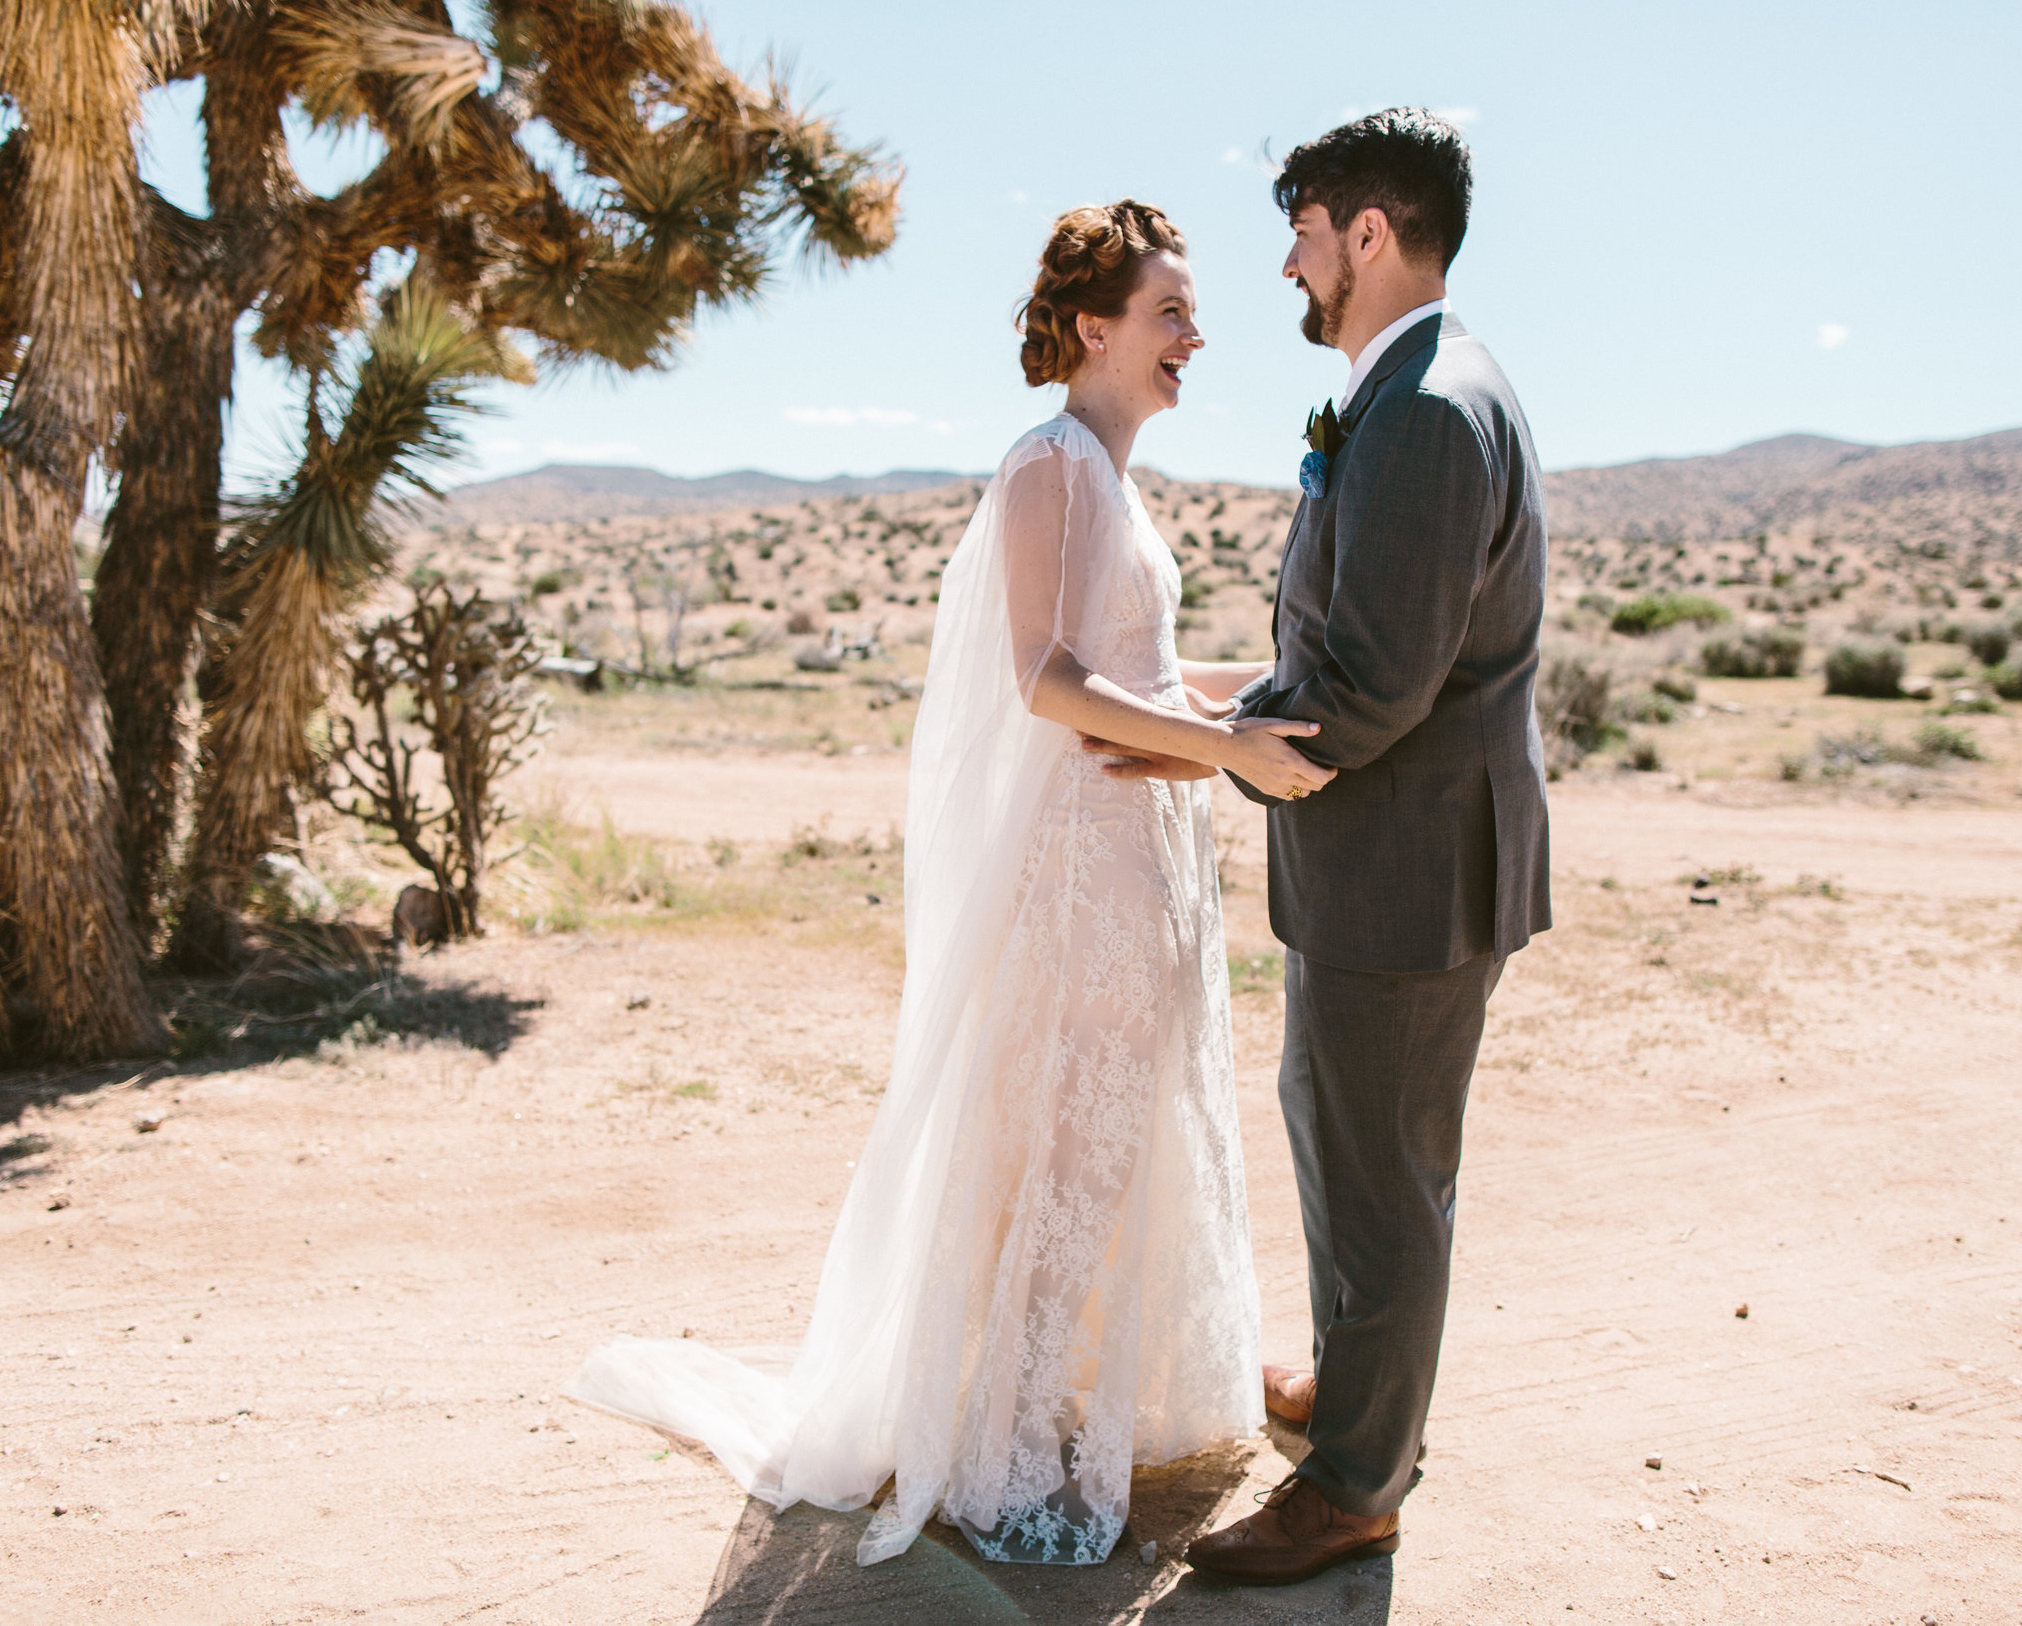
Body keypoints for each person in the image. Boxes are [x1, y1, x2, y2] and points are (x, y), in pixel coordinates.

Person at [569, 200, 1333, 1567]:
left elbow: (1137, 684)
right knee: (1055, 1153)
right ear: (1093, 325)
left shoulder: (1113, 477)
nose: (1194, 338)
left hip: (1138, 860)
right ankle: (1014, 1442)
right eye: (1170, 314)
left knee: (1105, 1152)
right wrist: (1225, 744)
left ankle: (1074, 1407)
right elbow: (1049, 683)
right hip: (1075, 880)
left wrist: (1274, 698)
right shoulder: (1047, 467)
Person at [1097, 109, 1553, 1586]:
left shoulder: (1426, 408)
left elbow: (1368, 690)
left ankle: (1357, 1484)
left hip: (1409, 875)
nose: (1287, 262)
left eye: (1301, 230)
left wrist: (1203, 741)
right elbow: (1344, 646)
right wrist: (1201, 702)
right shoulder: (1413, 389)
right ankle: (1356, 1397)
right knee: (1347, 1141)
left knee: (1382, 1173)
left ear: (1368, 233)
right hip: (1388, 868)